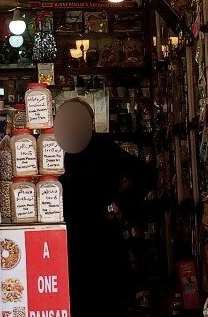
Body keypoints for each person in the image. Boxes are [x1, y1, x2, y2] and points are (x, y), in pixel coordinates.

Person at [55, 98, 157, 317]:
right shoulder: (54, 149)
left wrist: (118, 204)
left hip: (100, 236)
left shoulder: (104, 148)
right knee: (75, 299)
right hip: (67, 238)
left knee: (105, 301)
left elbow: (147, 175)